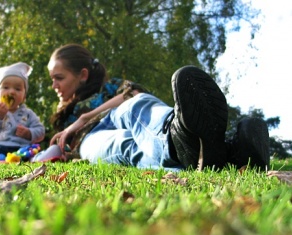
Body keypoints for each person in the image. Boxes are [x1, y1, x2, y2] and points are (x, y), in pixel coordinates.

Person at [47, 43, 270, 171]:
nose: (54, 85)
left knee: (138, 104)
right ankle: (232, 152)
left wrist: (84, 118)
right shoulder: (61, 116)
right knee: (125, 144)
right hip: (90, 139)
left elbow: (132, 94)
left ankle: (179, 135)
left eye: (59, 77)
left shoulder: (111, 87)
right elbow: (46, 152)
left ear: (82, 75)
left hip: (115, 114)